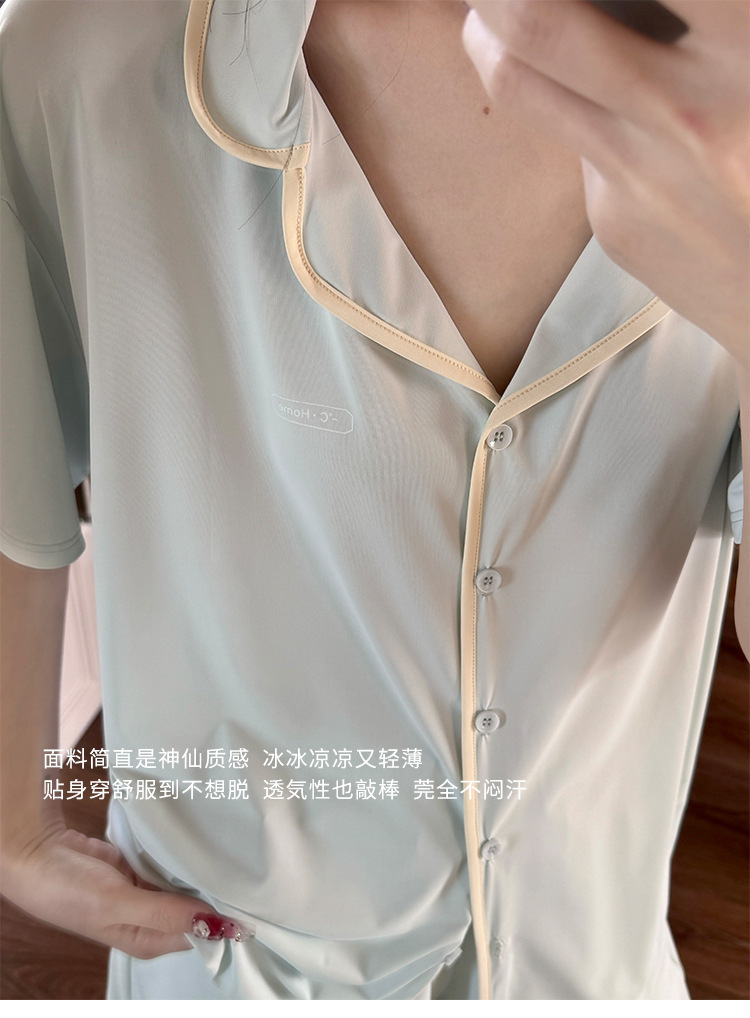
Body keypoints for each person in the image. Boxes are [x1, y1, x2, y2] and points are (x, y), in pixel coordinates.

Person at [0, 0, 747, 1000]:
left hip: (596, 973)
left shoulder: (732, 84)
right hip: (232, 973)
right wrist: (15, 822)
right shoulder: (87, 56)